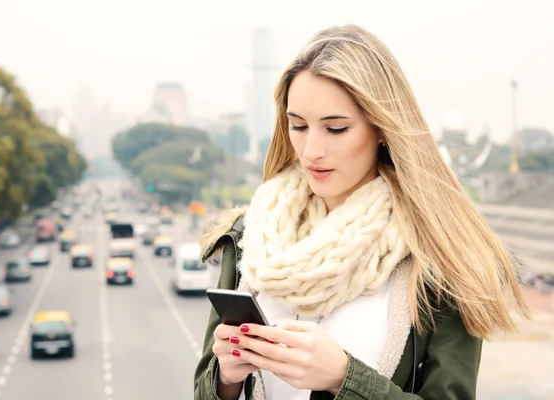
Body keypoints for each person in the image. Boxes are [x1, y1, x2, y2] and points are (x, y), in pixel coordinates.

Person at [194, 25, 528, 400]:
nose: (311, 150)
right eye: (298, 125)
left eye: (335, 128)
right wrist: (226, 377)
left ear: (382, 128)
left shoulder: (440, 256)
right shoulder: (250, 235)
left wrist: (344, 376)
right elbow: (204, 390)